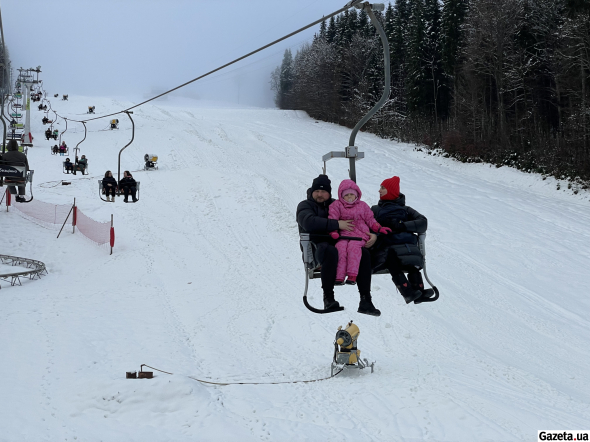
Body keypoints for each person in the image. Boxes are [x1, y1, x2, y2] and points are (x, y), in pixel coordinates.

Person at [296, 174, 380, 316]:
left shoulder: (337, 204)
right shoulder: (305, 205)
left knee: (363, 252)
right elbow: (308, 222)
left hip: (341, 242)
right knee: (330, 251)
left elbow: (358, 218)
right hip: (316, 246)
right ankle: (328, 298)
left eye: (323, 191)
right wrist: (336, 224)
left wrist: (372, 233)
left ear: (329, 193)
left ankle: (366, 300)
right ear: (312, 192)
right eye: (317, 191)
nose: (320, 194)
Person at [370, 176, 435, 304]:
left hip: (405, 244)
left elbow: (423, 222)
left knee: (411, 258)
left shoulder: (406, 210)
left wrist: (402, 225)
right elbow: (368, 224)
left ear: (392, 191)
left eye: (383, 188)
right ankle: (407, 292)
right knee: (392, 256)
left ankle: (418, 290)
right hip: (387, 244)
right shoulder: (375, 210)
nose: (379, 190)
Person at [328, 179, 391, 285]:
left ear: (356, 195)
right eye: (346, 195)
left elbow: (370, 220)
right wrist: (333, 231)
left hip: (360, 234)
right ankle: (339, 276)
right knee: (341, 248)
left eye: (351, 194)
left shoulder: (362, 206)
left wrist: (379, 228)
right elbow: (333, 219)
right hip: (344, 234)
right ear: (341, 196)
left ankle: (352, 274)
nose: (349, 197)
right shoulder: (337, 205)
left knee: (354, 248)